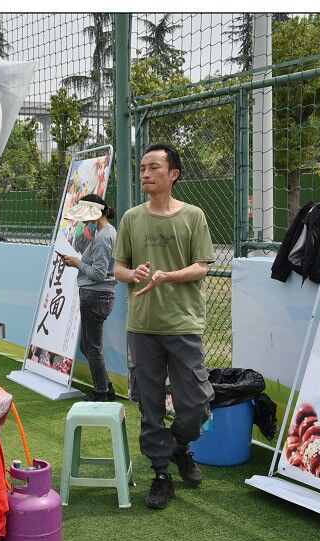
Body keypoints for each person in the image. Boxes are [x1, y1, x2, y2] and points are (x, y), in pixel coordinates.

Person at [113, 142, 214, 510]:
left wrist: (167, 276)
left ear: (174, 174)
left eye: (154, 167)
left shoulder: (194, 216)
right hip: (142, 327)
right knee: (150, 403)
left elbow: (202, 266)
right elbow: (118, 267)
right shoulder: (130, 218)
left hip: (183, 324)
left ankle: (179, 446)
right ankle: (160, 474)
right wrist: (132, 274)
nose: (146, 174)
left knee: (197, 403)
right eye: (143, 168)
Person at [60, 193, 117, 402]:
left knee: (91, 347)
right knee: (89, 346)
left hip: (96, 295)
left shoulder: (103, 237)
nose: (84, 220)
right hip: (97, 295)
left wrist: (77, 263)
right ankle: (105, 387)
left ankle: (101, 393)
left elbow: (99, 273)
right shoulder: (106, 232)